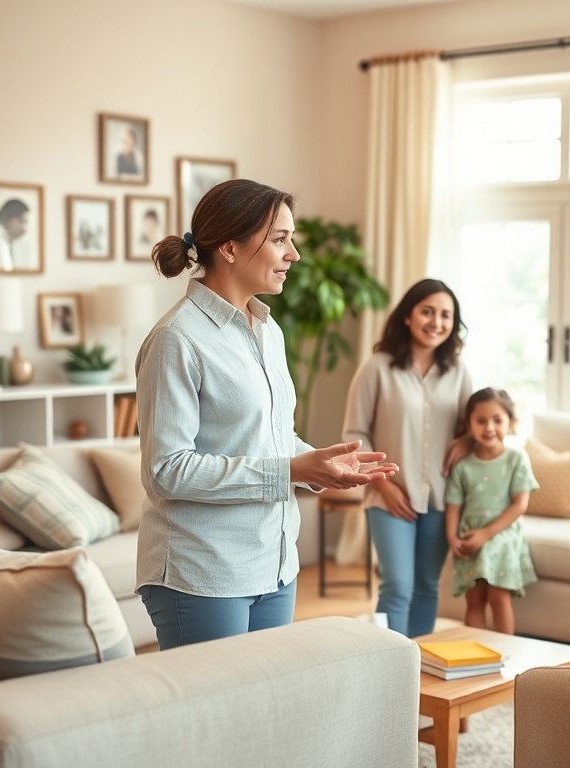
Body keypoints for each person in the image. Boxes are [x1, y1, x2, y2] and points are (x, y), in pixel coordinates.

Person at [134, 178, 398, 651]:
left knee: (264, 715)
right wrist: (290, 471)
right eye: (280, 239)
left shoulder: (266, 331)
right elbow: (165, 471)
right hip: (204, 572)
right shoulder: (177, 339)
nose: (293, 254)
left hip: (274, 564)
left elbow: (268, 437)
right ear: (230, 247)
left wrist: (320, 464)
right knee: (217, 721)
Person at [342, 278, 473, 637]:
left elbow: (472, 425)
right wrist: (383, 485)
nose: (436, 322)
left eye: (446, 315)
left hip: (441, 497)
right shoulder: (377, 368)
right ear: (407, 317)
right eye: (427, 311)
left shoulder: (458, 373)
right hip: (389, 497)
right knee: (397, 586)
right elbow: (354, 435)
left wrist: (466, 441)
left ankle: (419, 668)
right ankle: (389, 667)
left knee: (427, 586)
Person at [444, 387, 538, 635]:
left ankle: (504, 654)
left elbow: (520, 504)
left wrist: (486, 534)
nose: (489, 427)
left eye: (498, 420)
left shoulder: (516, 459)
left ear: (511, 423)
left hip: (502, 535)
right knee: (474, 600)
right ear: (469, 424)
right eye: (481, 420)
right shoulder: (462, 467)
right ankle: (476, 655)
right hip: (470, 536)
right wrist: (452, 537)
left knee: (498, 596)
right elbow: (453, 505)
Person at [0, 198, 32, 271]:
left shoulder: (25, 247)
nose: (24, 228)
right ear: (7, 219)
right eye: (20, 221)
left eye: (25, 222)